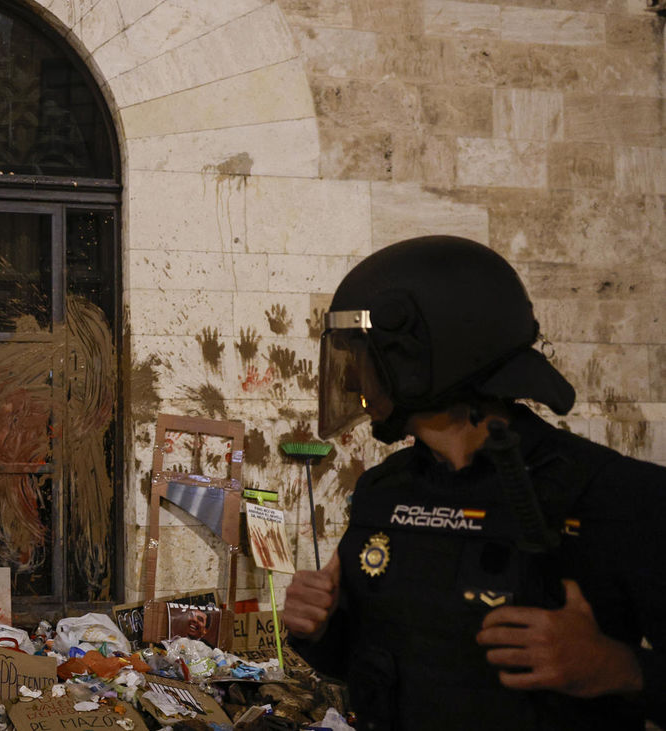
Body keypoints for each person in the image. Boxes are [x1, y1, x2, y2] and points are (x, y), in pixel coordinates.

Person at [281, 236, 664, 730]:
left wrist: (618, 667)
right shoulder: (383, 492)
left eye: (364, 356)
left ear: (420, 352)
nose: (354, 382)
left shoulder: (618, 497)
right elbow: (367, 664)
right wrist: (318, 626)